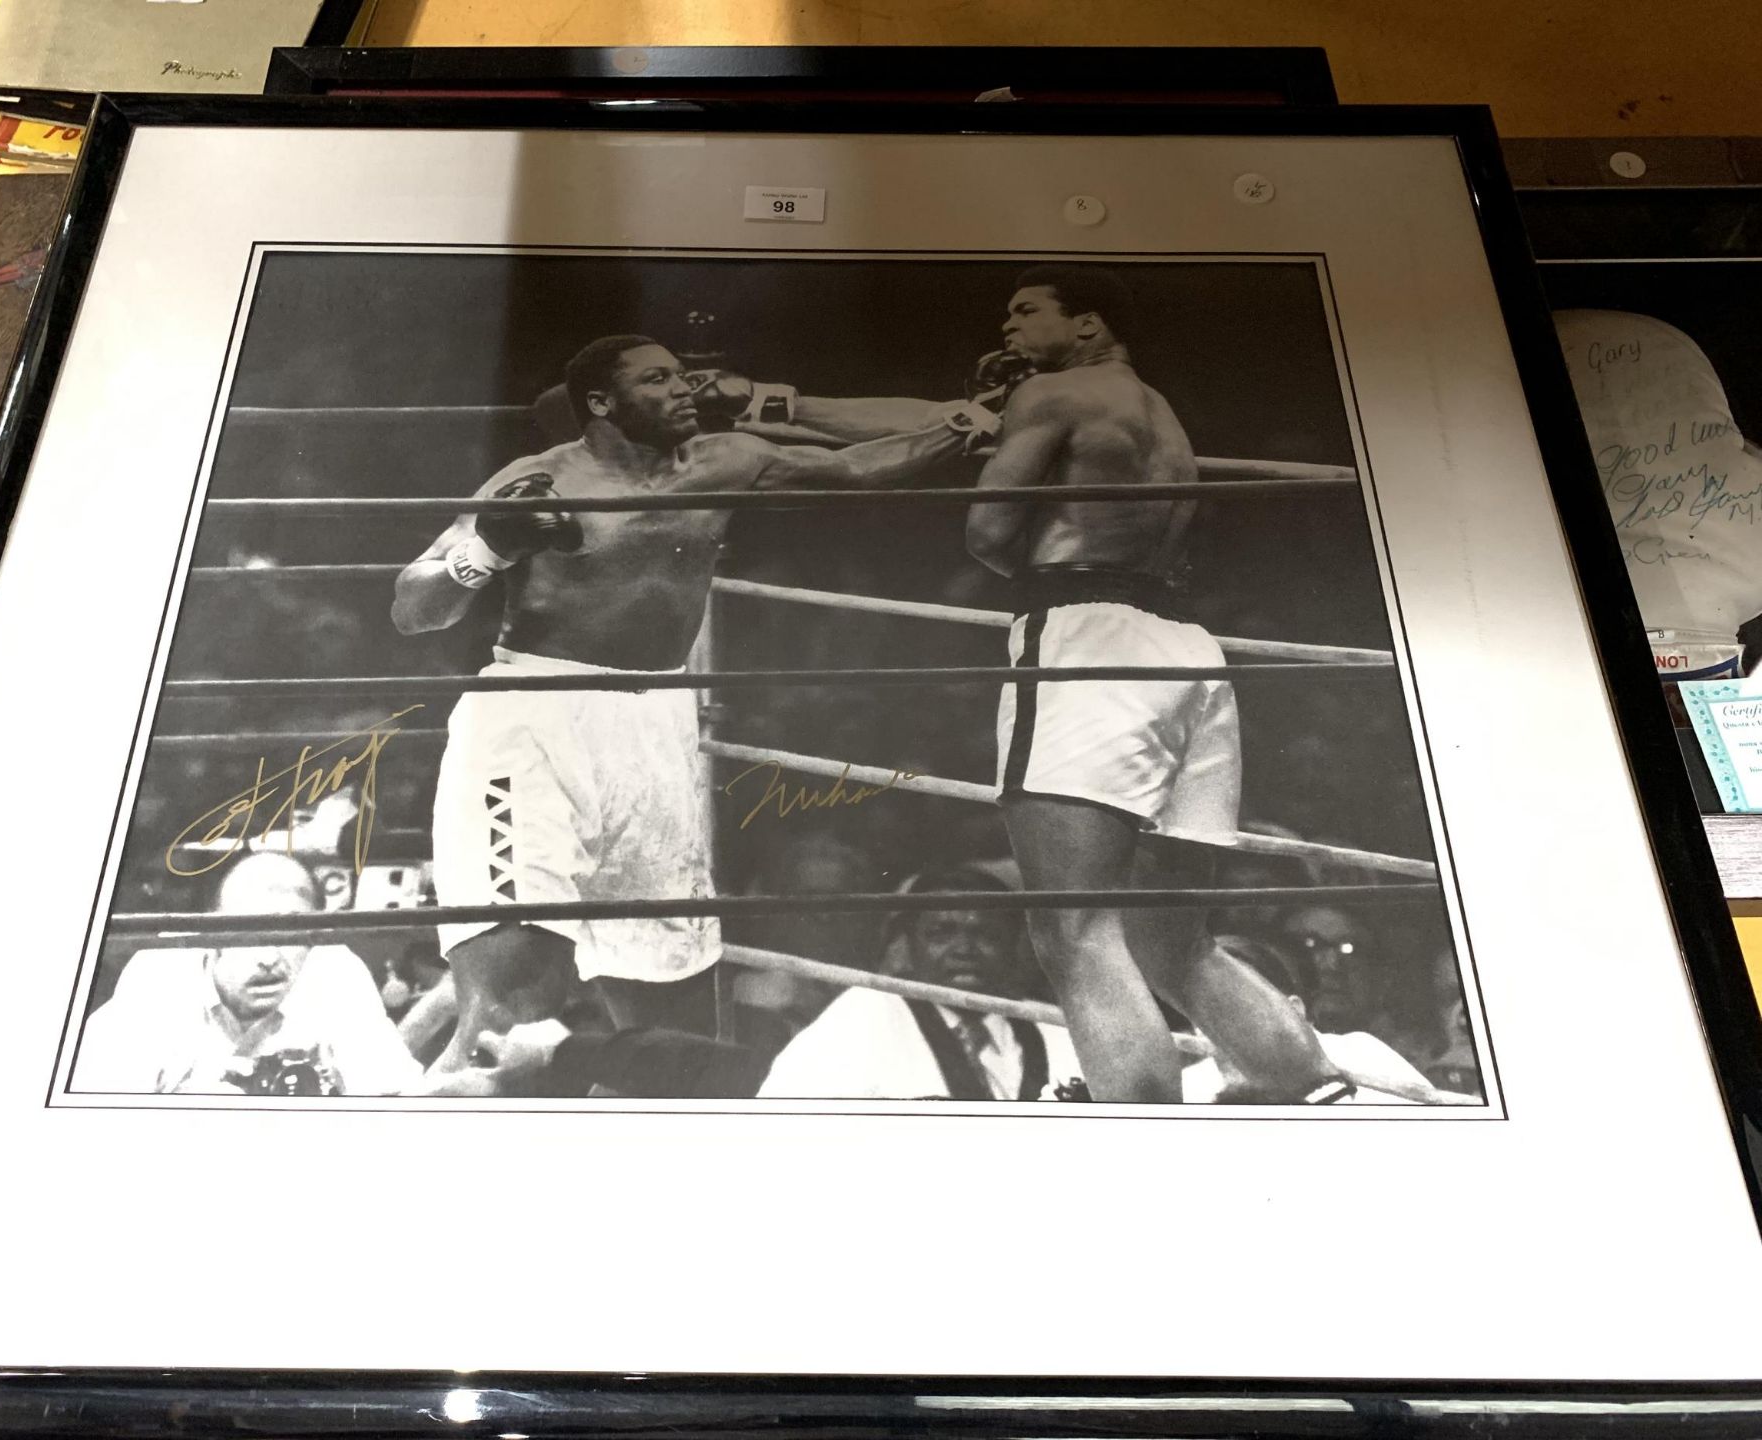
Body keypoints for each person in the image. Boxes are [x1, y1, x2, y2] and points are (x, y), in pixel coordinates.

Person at [393, 334, 997, 1078]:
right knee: (513, 995)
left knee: (671, 996)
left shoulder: (724, 462)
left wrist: (964, 425)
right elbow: (414, 608)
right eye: (657, 380)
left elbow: (854, 467)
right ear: (602, 405)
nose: (685, 390)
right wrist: (486, 546)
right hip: (538, 717)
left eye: (682, 376)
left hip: (657, 726)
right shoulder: (538, 480)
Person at [961, 264, 1344, 1104]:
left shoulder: (1058, 392)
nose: (1008, 328)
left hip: (1085, 639)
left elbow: (987, 532)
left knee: (1073, 931)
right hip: (1184, 651)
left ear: (1090, 324)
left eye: (1028, 310)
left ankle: (1140, 1135)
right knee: (1173, 937)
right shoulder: (1162, 413)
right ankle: (1313, 1088)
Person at [72, 852, 426, 1097]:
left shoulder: (335, 970)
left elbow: (392, 1092)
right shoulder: (160, 972)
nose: (270, 959)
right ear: (212, 934)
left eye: (292, 936)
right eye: (251, 934)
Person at [757, 864, 1083, 1100]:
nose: (964, 950)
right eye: (941, 933)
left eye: (987, 935)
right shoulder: (868, 1012)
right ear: (910, 944)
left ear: (1014, 946)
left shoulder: (1055, 1028)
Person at [1181, 934, 1431, 1105]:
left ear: (1295, 1011)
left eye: (1239, 1005)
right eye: (1208, 1008)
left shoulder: (1358, 1053)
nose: (1223, 1022)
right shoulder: (1188, 1085)